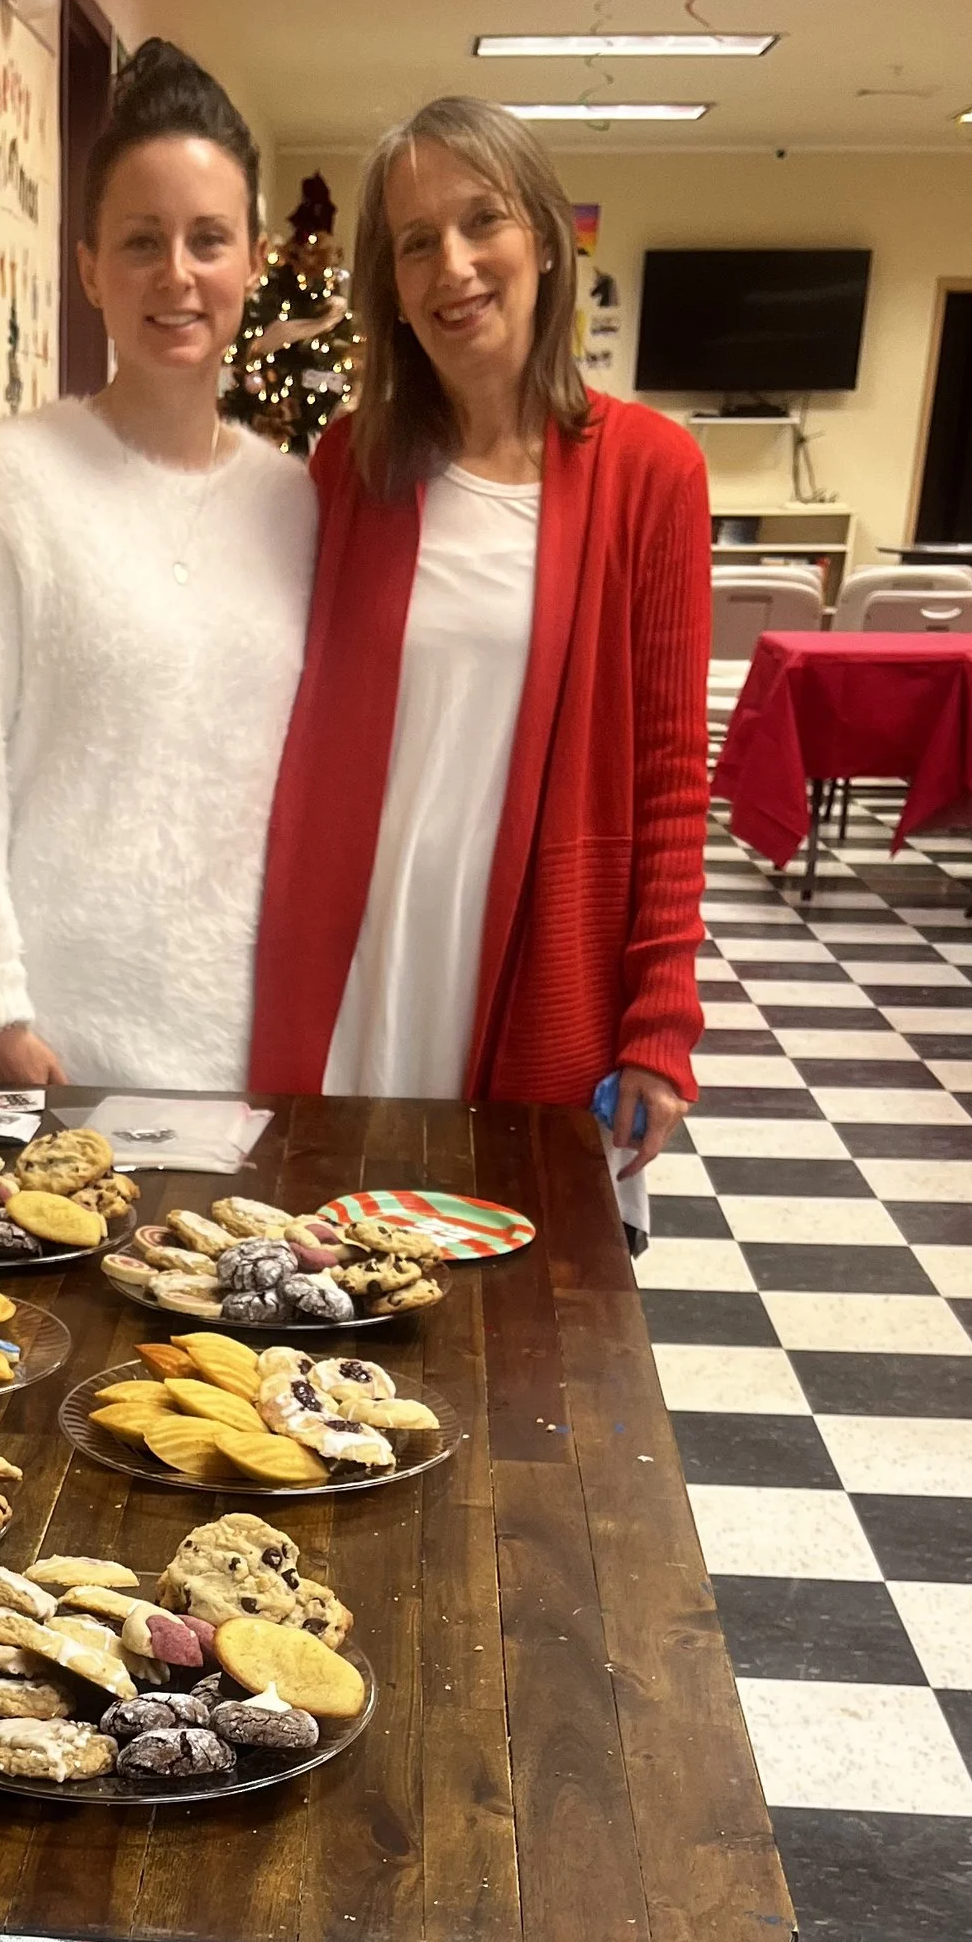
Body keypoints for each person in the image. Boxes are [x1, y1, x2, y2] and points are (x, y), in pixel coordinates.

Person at [248, 99, 711, 1231]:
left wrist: (660, 1025)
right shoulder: (351, 466)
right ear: (390, 286)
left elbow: (669, 775)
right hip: (362, 957)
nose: (452, 265)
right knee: (328, 1284)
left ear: (543, 239)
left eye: (480, 221)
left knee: (518, 1322)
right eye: (414, 242)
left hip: (533, 959)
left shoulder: (649, 471)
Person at [0, 43, 315, 1095]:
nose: (176, 276)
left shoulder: (296, 506)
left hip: (246, 1060)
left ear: (251, 259)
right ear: (87, 268)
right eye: (140, 241)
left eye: (208, 241)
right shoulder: (14, 483)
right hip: (41, 1062)